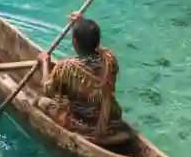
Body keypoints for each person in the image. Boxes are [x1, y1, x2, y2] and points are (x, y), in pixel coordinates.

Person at [34, 12, 129, 145]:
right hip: (110, 120)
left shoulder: (66, 67)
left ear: (74, 42)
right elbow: (96, 46)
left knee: (40, 101)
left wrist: (45, 63)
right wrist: (82, 23)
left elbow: (48, 90)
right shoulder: (109, 60)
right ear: (97, 41)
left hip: (84, 125)